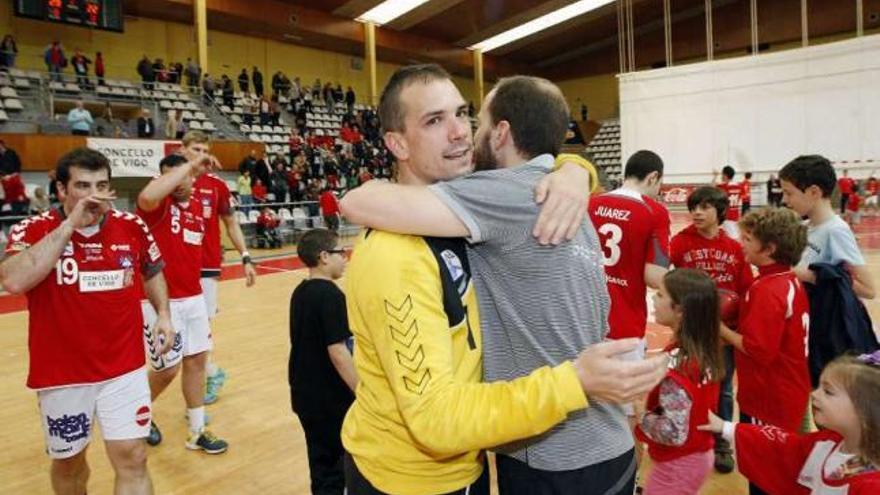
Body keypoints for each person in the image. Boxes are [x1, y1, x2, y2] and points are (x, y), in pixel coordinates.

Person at [338, 65, 666, 495]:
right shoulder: (398, 253)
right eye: (435, 120)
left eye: (463, 114)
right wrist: (572, 170)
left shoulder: (483, 203)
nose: (459, 132)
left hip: (490, 460)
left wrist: (572, 171)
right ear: (397, 142)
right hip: (409, 478)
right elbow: (435, 419)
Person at [0, 147, 174, 495]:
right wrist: (70, 226)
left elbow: (152, 269)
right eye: (83, 186)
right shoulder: (33, 228)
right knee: (70, 465)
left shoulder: (130, 225)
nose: (95, 195)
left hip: (124, 368)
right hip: (63, 375)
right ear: (62, 190)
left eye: (102, 185)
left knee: (133, 457)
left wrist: (164, 315)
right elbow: (13, 281)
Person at [136, 153, 228, 454]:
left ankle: (197, 431)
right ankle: (138, 414)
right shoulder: (157, 208)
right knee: (166, 370)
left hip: (193, 299)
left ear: (193, 179)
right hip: (161, 304)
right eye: (168, 177)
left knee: (197, 361)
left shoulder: (196, 213)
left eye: (182, 176)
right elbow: (148, 195)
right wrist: (187, 166)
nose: (176, 182)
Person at [719, 207, 811, 495]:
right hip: (789, 390)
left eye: (747, 238)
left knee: (764, 474)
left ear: (769, 248)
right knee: (781, 468)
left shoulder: (767, 289)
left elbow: (759, 351)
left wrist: (718, 329)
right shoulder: (786, 279)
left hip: (768, 397)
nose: (741, 243)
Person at [699, 352, 880, 493]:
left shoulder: (871, 487)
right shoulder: (827, 442)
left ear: (863, 412)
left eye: (828, 392)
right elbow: (783, 449)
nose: (814, 394)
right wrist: (724, 427)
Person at [670, 186, 753, 474]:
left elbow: (745, 291)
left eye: (704, 207)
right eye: (693, 207)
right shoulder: (679, 243)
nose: (696, 212)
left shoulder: (733, 248)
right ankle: (685, 437)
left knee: (724, 390)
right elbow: (671, 288)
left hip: (724, 333)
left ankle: (722, 443)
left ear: (720, 212)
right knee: (684, 386)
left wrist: (736, 328)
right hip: (691, 333)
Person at [588, 150, 670, 435]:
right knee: (625, 416)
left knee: (586, 407)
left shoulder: (591, 203)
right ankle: (628, 479)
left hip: (583, 320)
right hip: (623, 325)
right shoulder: (654, 211)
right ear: (653, 177)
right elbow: (653, 276)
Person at [635, 269, 724, 495]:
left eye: (661, 295)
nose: (653, 299)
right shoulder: (704, 350)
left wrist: (640, 415)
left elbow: (674, 432)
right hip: (697, 454)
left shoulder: (679, 371)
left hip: (678, 465)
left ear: (680, 311)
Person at [186, 131, 256, 404]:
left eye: (204, 149)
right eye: (195, 149)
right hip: (173, 266)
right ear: (183, 150)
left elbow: (231, 223)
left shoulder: (216, 185)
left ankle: (209, 374)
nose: (201, 154)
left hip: (206, 266)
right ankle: (207, 372)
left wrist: (246, 256)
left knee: (201, 326)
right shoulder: (170, 181)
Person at [290, 229, 356, 495]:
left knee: (320, 464)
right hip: (330, 398)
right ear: (324, 256)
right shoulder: (330, 296)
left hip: (305, 394)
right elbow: (338, 351)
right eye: (341, 252)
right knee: (336, 466)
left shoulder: (300, 292)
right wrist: (362, 390)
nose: (346, 258)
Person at [780, 155, 875, 301]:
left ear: (814, 192)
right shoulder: (804, 226)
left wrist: (809, 276)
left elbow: (868, 290)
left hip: (824, 317)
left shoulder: (836, 231)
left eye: (789, 193)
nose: (784, 200)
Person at [714, 165, 743, 239]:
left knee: (732, 238)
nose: (721, 176)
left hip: (727, 216)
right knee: (734, 236)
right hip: (736, 215)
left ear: (725, 175)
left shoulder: (724, 186)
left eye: (722, 174)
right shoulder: (739, 186)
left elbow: (711, 188)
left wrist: (715, 176)